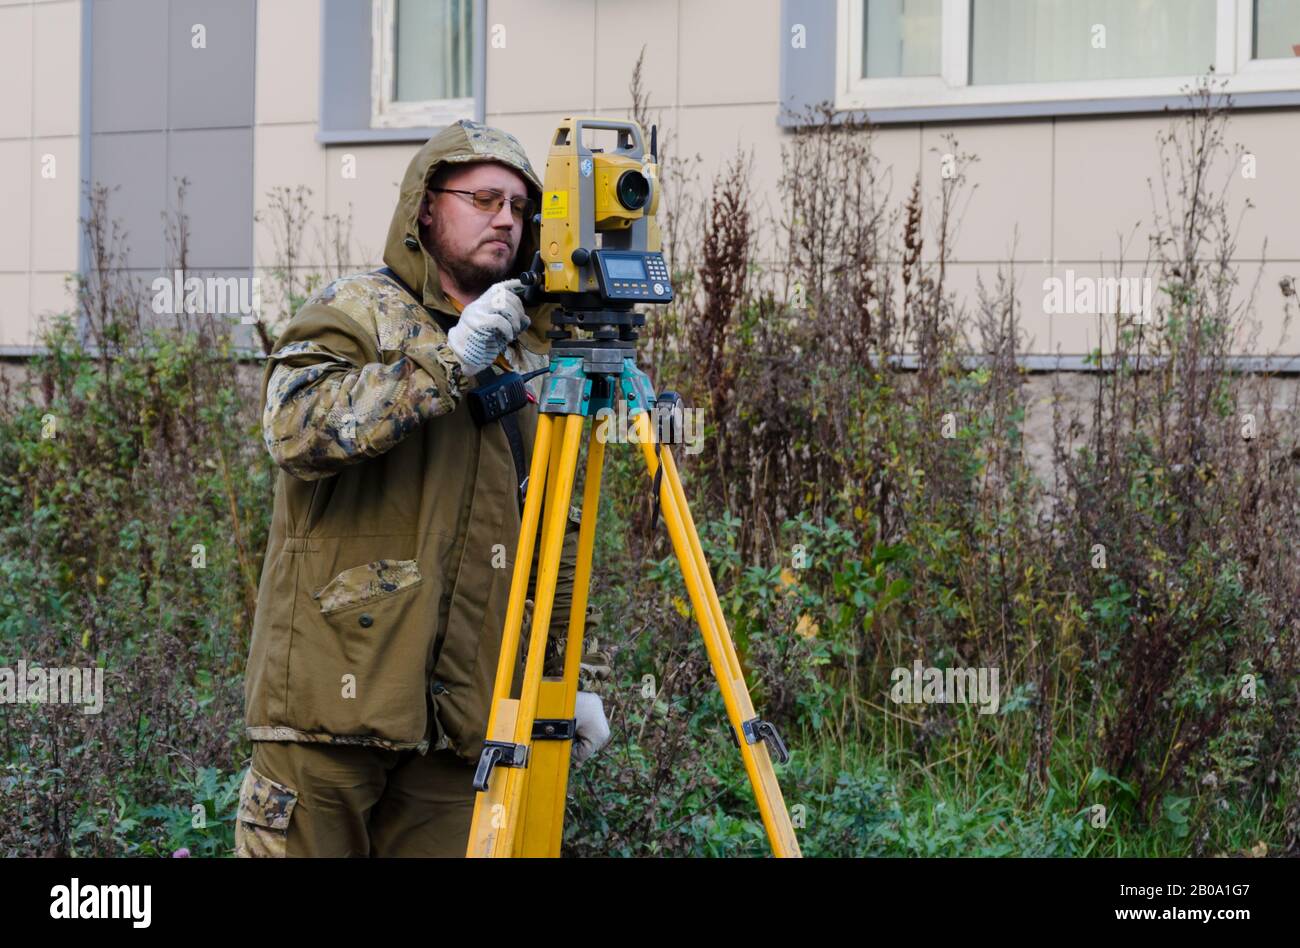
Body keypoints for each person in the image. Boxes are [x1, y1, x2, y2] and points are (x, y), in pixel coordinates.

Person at [235, 120, 610, 858]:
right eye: (483, 198)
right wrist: (444, 361)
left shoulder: (524, 352)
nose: (506, 218)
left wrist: (563, 680)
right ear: (425, 208)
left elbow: (552, 538)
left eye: (520, 206)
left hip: (460, 726)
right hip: (328, 710)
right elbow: (295, 431)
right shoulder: (356, 310)